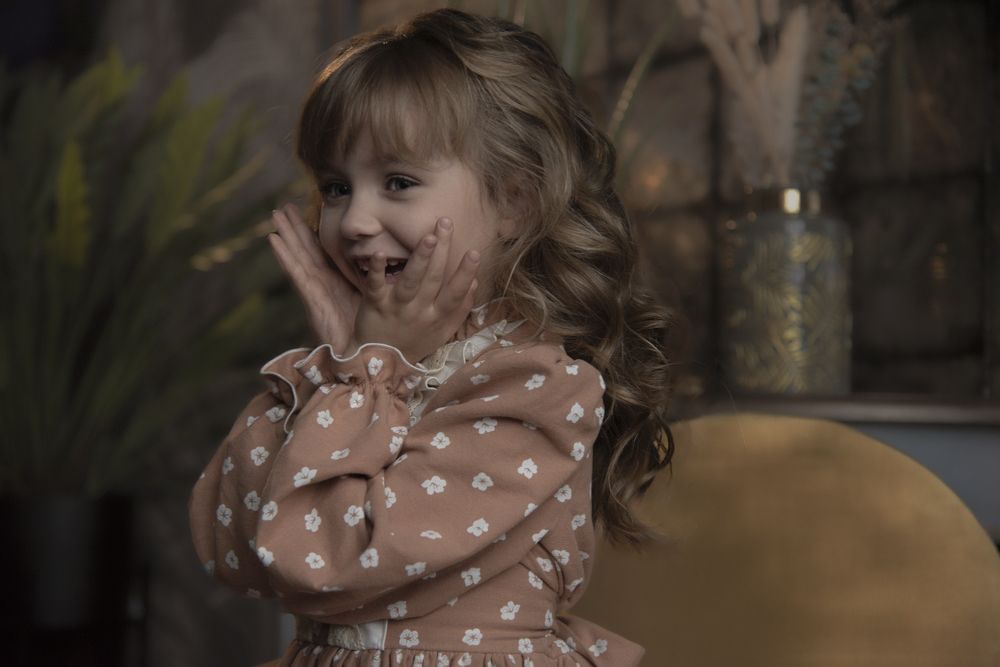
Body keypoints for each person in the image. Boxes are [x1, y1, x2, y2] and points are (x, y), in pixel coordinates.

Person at [189, 8, 676, 666]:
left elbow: (318, 560)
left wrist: (365, 370)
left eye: (398, 182)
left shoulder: (533, 388)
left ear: (514, 203)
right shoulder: (351, 371)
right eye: (336, 187)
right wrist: (352, 362)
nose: (354, 220)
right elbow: (232, 547)